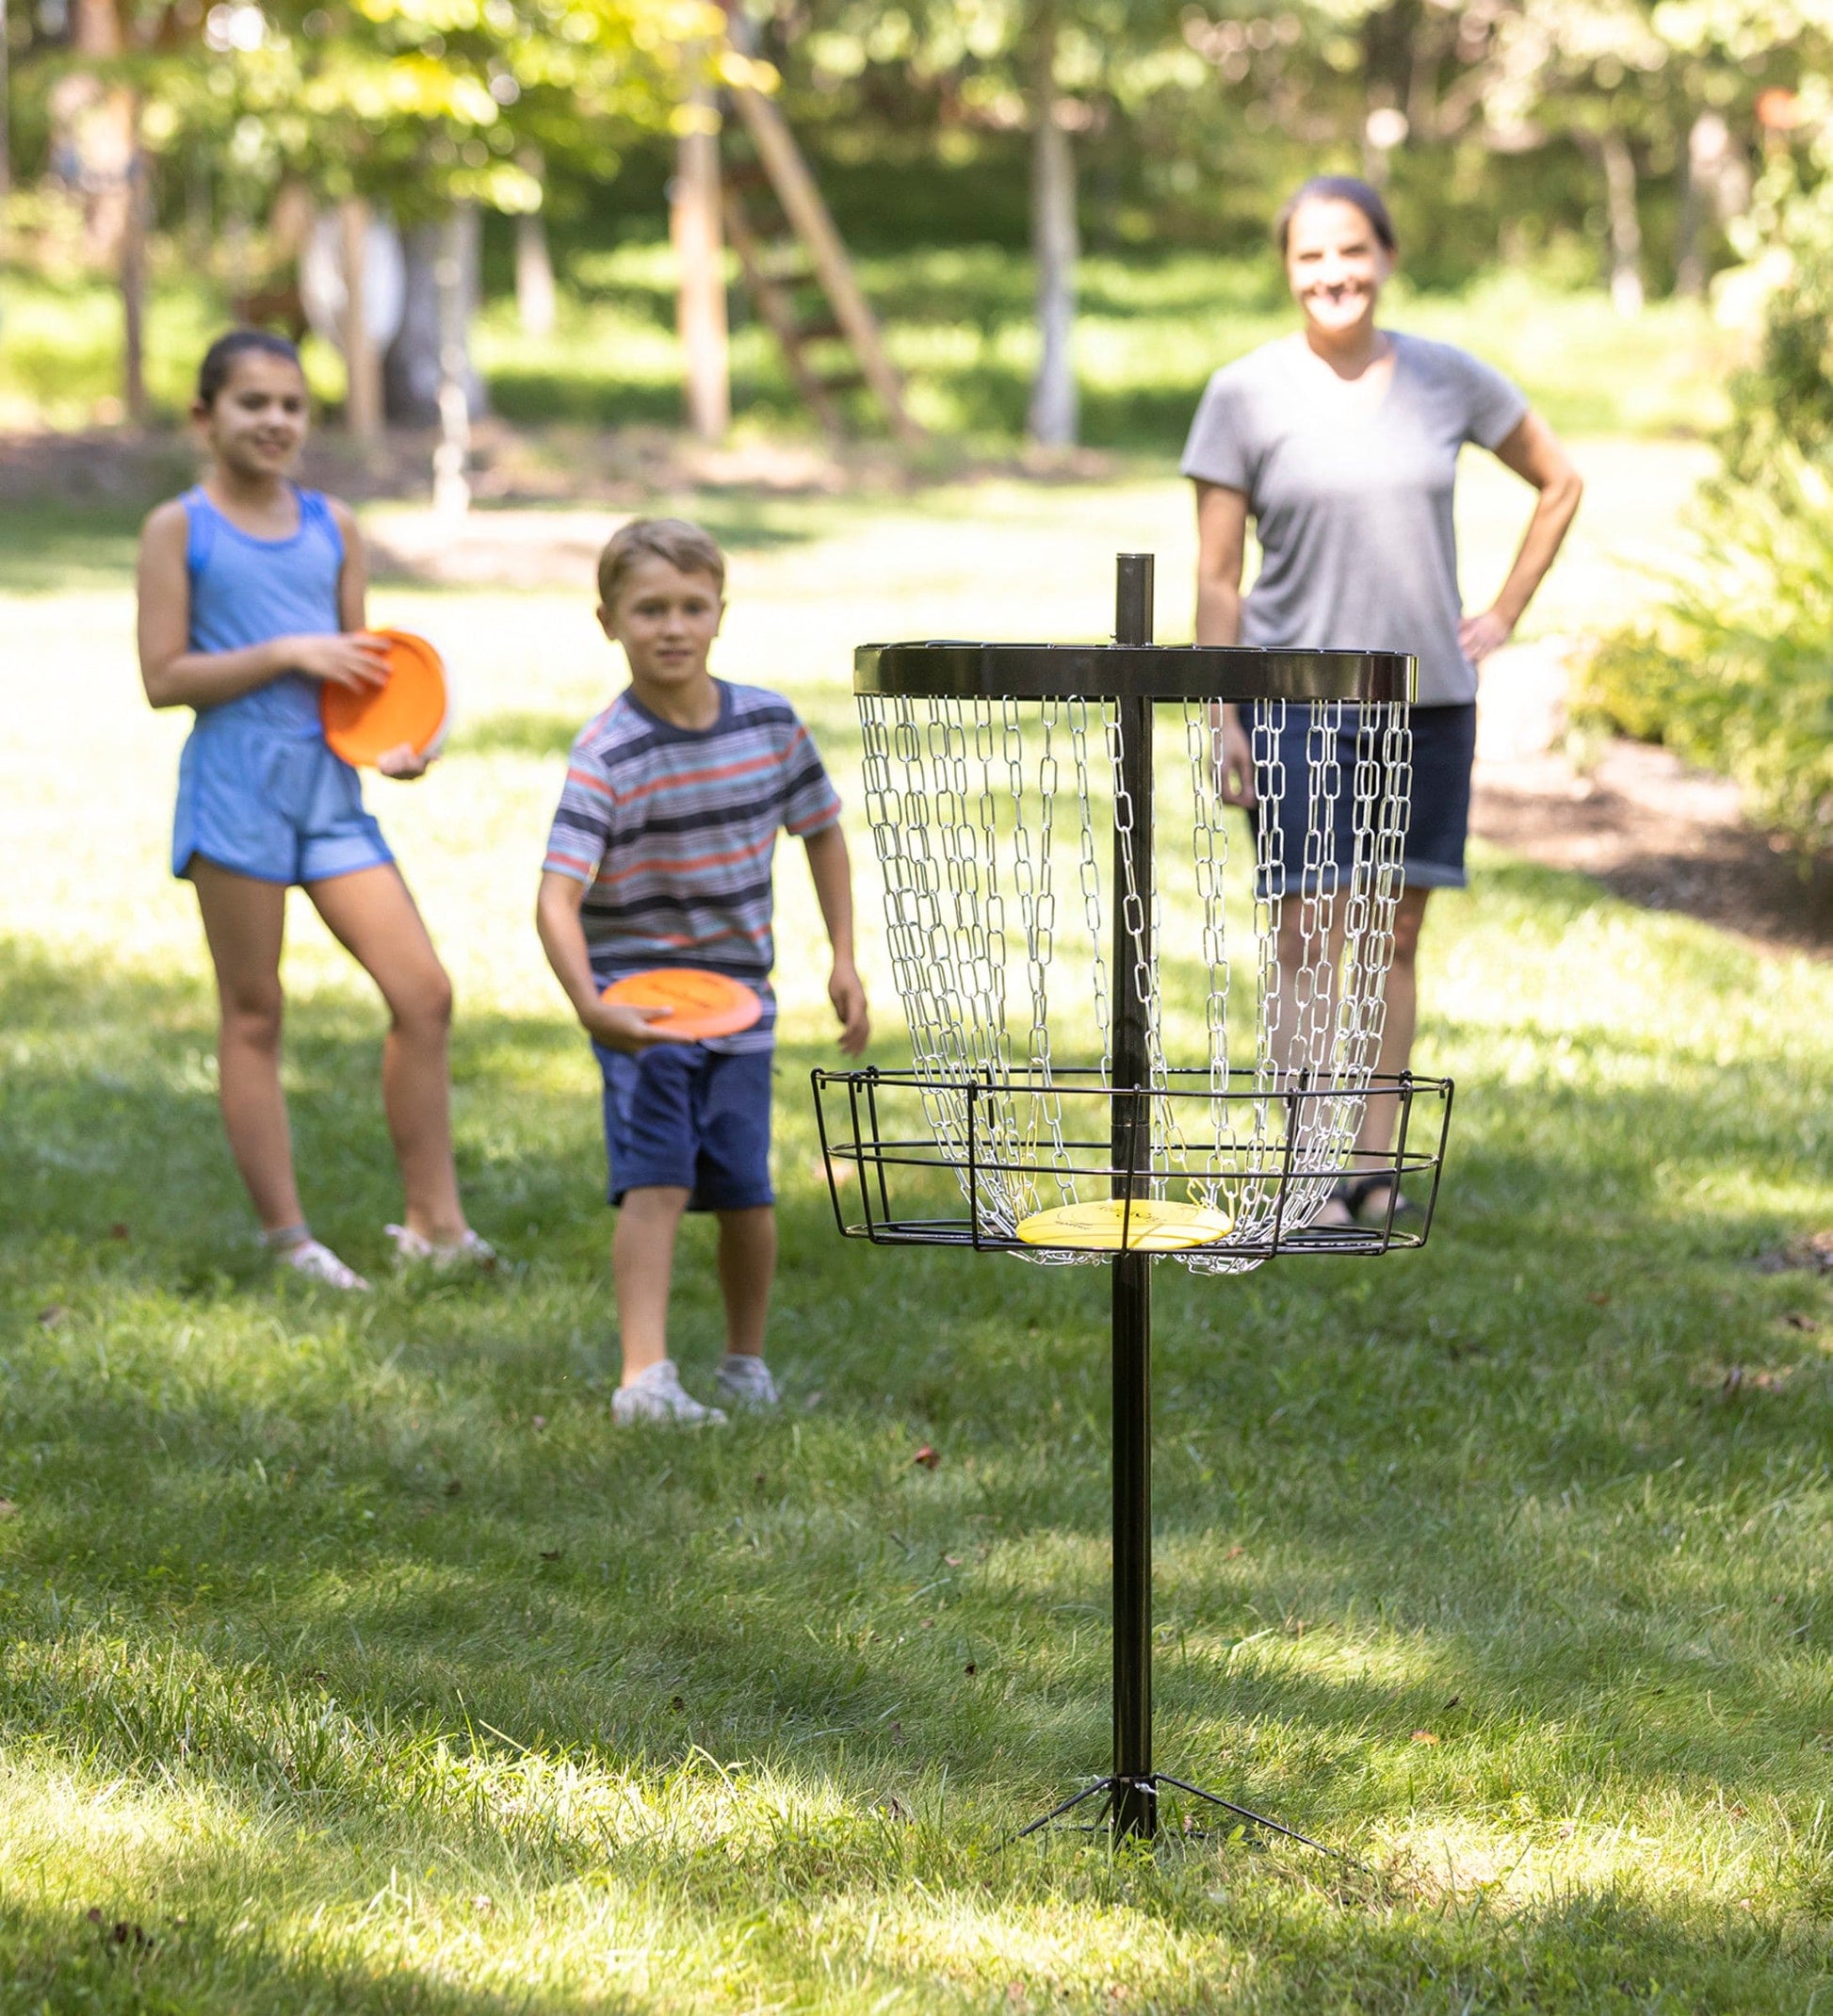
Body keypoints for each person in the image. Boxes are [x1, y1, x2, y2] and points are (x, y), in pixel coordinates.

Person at [1184, 176, 1582, 1222]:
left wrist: (1499, 610)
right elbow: (1217, 577)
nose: (1332, 274)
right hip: (1293, 699)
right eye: (1310, 256)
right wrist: (1218, 712)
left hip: (1428, 701)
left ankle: (1371, 1164)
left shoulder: (1445, 378)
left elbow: (1559, 479)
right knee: (1307, 926)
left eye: (1351, 250)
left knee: (1393, 934)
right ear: (1285, 269)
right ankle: (1306, 1164)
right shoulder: (1241, 394)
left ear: (1386, 256)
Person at [137, 329, 493, 1288]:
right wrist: (289, 653)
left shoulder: (333, 524)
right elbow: (164, 677)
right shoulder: (180, 527)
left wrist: (399, 748)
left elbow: (357, 679)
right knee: (254, 1013)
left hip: (329, 795)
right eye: (252, 403)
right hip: (235, 792)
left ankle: (435, 1223)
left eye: (291, 405)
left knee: (423, 993)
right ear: (205, 418)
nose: (275, 421)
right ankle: (288, 1241)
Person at [536, 517, 869, 1426]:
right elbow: (556, 899)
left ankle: (743, 1365)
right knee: (657, 1181)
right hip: (642, 1009)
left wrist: (843, 957)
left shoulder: (767, 724)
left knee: (746, 1190)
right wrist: (591, 1005)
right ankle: (643, 1379)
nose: (673, 627)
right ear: (607, 620)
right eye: (649, 610)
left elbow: (823, 832)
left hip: (739, 1008)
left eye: (692, 606)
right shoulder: (608, 751)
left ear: (722, 612)